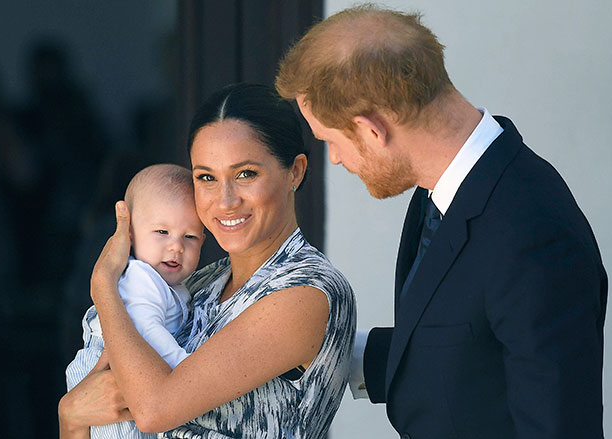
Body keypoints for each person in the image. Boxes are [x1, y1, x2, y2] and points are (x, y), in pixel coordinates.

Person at [275, 4, 607, 439]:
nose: (335, 158)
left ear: (372, 130)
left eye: (331, 142)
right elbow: (463, 349)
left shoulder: (534, 233)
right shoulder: (444, 188)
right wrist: (315, 348)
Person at [58, 83, 356, 439]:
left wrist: (103, 286)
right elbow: (98, 416)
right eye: (207, 178)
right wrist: (70, 416)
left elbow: (153, 411)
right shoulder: (196, 285)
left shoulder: (306, 291)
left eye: (246, 173)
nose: (225, 200)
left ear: (295, 171)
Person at [65, 163, 205, 438]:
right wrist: (188, 372)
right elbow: (148, 331)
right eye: (162, 232)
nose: (176, 246)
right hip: (108, 378)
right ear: (128, 234)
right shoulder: (141, 279)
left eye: (189, 237)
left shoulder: (172, 285)